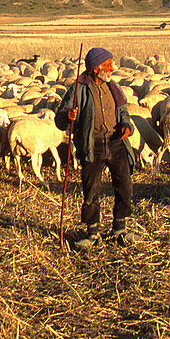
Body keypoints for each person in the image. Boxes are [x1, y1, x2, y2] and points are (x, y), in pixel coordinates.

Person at [56, 47, 137, 251]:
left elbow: (123, 111)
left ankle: (120, 228)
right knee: (92, 190)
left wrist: (126, 126)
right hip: (92, 144)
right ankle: (92, 233)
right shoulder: (78, 89)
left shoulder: (113, 87)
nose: (112, 68)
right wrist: (68, 117)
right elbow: (60, 119)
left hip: (116, 141)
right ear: (96, 68)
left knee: (124, 185)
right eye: (108, 64)